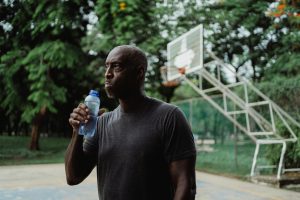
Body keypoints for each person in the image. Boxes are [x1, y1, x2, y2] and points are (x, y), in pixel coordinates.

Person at [65, 45, 196, 200]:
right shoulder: (101, 123)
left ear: (139, 73)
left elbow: (185, 185)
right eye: (107, 67)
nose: (108, 74)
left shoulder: (169, 117)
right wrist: (77, 131)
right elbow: (73, 177)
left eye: (117, 66)